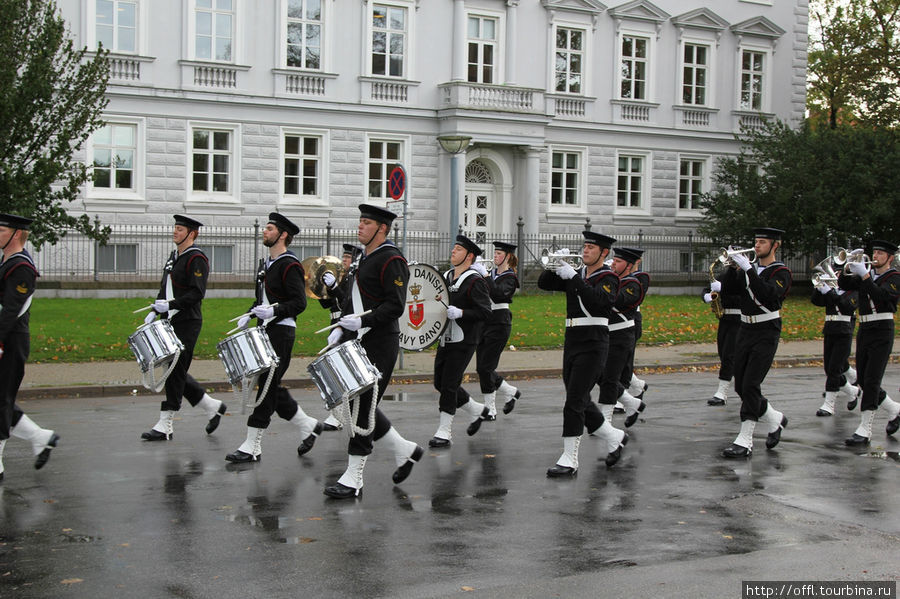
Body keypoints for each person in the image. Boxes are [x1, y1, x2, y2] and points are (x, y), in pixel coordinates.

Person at [323, 204, 423, 498]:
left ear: (382, 228)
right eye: (360, 222)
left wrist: (363, 320)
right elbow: (354, 300)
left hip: (379, 341)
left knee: (362, 407)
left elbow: (395, 305)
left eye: (366, 223)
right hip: (356, 339)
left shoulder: (392, 259)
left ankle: (354, 478)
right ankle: (404, 450)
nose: (360, 227)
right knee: (354, 404)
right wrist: (341, 326)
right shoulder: (361, 259)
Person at [226, 213, 322, 462]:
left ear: (283, 235)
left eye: (269, 229)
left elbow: (299, 303)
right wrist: (250, 313)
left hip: (281, 331)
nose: (265, 232)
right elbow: (263, 299)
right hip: (264, 330)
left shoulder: (290, 264)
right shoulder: (266, 264)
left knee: (266, 388)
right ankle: (307, 425)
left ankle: (252, 445)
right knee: (269, 385)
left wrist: (274, 311)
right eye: (266, 228)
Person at [538, 231, 627, 476]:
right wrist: (555, 266)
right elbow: (543, 284)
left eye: (591, 247)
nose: (585, 250)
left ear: (604, 252)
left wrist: (574, 279)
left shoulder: (608, 276)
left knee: (575, 400)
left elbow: (601, 302)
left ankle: (570, 458)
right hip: (573, 340)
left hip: (594, 342)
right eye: (584, 246)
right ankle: (614, 436)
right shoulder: (579, 273)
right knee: (578, 396)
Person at [141, 215, 225, 441]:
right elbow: (165, 286)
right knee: (173, 369)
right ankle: (212, 406)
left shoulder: (196, 259)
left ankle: (165, 423)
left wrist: (171, 305)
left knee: (174, 370)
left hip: (187, 321)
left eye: (180, 229)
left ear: (192, 233)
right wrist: (155, 309)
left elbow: (197, 293)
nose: (175, 232)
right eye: (175, 228)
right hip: (170, 320)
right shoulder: (174, 257)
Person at [720, 228, 792, 459]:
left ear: (775, 246)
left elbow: (768, 295)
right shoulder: (747, 270)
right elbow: (729, 291)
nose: (757, 246)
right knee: (741, 386)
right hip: (745, 328)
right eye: (756, 242)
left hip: (766, 330)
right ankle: (775, 419)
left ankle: (745, 439)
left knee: (751, 384)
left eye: (762, 242)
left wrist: (749, 270)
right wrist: (732, 269)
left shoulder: (781, 272)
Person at [0, 214, 58, 481]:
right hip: (5, 337)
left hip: (10, 341)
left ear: (17, 234)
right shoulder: (6, 262)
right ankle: (39, 436)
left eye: (1, 230)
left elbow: (11, 310)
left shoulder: (21, 267)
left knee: (2, 399)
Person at [428, 235, 493, 448]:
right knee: (439, 381)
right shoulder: (445, 277)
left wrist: (462, 312)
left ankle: (444, 431)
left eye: (458, 249)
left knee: (449, 384)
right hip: (446, 337)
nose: (453, 252)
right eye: (454, 248)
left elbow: (485, 312)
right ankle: (477, 410)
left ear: (469, 256)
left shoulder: (475, 280)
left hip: (465, 339)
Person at [837, 240, 900, 445]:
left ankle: (865, 429)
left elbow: (882, 296)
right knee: (863, 380)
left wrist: (864, 275)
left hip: (883, 330)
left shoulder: (894, 277)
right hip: (865, 329)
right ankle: (894, 409)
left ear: (890, 258)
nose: (876, 257)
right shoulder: (868, 275)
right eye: (875, 253)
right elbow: (843, 284)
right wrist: (848, 267)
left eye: (881, 254)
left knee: (872, 380)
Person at [599, 247, 646, 428]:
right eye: (614, 260)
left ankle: (605, 420)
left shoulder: (634, 283)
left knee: (611, 378)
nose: (613, 264)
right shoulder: (611, 278)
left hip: (622, 334)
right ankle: (631, 402)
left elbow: (615, 300)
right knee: (599, 375)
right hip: (606, 333)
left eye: (618, 262)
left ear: (628, 265)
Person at [475, 241, 521, 419]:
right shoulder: (491, 274)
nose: (495, 256)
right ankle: (510, 391)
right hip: (485, 321)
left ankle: (490, 409)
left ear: (508, 257)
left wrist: (485, 275)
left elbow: (499, 294)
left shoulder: (510, 277)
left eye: (499, 253)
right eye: (495, 253)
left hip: (500, 323)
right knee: (481, 368)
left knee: (487, 367)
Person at [319, 243, 360, 432]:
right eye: (343, 257)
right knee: (334, 370)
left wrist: (334, 286)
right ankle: (337, 413)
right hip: (334, 325)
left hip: (347, 328)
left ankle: (339, 415)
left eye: (347, 258)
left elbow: (346, 301)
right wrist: (321, 288)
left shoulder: (354, 279)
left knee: (342, 370)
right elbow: (327, 306)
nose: (343, 260)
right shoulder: (342, 277)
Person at [810, 266, 859, 417]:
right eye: (836, 273)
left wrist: (832, 293)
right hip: (830, 329)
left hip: (844, 331)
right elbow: (816, 301)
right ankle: (852, 391)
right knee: (829, 368)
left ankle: (829, 405)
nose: (837, 276)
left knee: (834, 369)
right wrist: (819, 287)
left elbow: (847, 306)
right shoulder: (834, 292)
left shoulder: (854, 292)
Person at [703, 257, 742, 406]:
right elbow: (709, 289)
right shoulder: (725, 275)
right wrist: (707, 296)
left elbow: (742, 293)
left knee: (729, 355)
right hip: (725, 318)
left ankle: (722, 392)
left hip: (739, 318)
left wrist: (723, 288)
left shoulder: (745, 274)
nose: (732, 261)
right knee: (723, 353)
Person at [621, 256, 650, 402]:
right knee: (618, 360)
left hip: (632, 320)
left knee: (625, 360)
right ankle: (638, 385)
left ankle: (623, 394)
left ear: (637, 262)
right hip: (616, 321)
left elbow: (637, 297)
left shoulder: (641, 277)